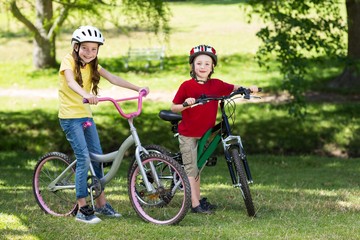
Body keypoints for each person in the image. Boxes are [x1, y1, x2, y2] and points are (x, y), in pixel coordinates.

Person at [58, 25, 149, 224]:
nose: (89, 53)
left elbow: (113, 78)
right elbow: (72, 82)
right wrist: (86, 95)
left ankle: (101, 204)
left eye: (94, 49)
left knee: (97, 159)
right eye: (85, 48)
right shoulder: (68, 61)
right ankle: (82, 208)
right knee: (83, 159)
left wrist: (138, 88)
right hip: (70, 117)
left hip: (86, 117)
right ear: (75, 47)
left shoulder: (93, 65)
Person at [171, 45, 258, 214]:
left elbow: (233, 88)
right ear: (192, 66)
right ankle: (194, 205)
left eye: (206, 64)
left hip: (205, 134)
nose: (202, 67)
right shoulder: (187, 86)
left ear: (212, 67)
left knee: (198, 168)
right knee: (190, 168)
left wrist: (247, 89)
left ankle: (197, 198)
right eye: (198, 63)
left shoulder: (216, 85)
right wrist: (186, 104)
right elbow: (173, 107)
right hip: (188, 134)